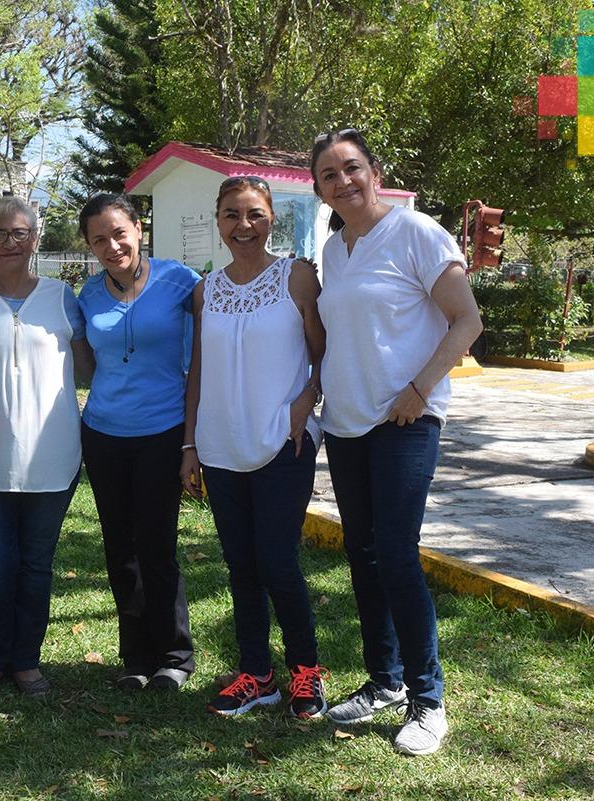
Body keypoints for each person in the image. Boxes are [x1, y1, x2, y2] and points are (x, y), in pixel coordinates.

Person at [309, 129, 482, 755]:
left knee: (397, 555)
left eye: (352, 168)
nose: (343, 181)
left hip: (405, 421)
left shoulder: (417, 232)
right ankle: (383, 681)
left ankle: (427, 698)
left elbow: (468, 319)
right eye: (329, 174)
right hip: (348, 424)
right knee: (362, 552)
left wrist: (419, 389)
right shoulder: (334, 251)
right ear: (320, 188)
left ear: (374, 172)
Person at [179, 176, 328, 720]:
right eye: (232, 215)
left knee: (278, 562)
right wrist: (190, 443)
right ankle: (256, 673)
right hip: (220, 445)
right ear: (218, 221)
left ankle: (306, 671)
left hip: (282, 443)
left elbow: (323, 352)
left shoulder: (297, 277)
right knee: (241, 564)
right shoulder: (205, 290)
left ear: (272, 219)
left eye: (255, 214)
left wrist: (308, 398)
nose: (244, 226)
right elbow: (198, 370)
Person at [0, 196, 92, 699]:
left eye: (20, 234)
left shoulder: (62, 296)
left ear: (35, 239)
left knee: (35, 565)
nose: (11, 243)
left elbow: (90, 367)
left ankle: (26, 662)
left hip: (52, 456)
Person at [77, 194, 199, 691]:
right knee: (119, 548)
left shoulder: (180, 282)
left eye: (119, 233)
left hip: (163, 431)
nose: (112, 245)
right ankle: (135, 656)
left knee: (157, 545)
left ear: (138, 229)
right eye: (99, 239)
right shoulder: (86, 294)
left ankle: (174, 655)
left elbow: (217, 345)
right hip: (104, 434)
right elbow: (82, 364)